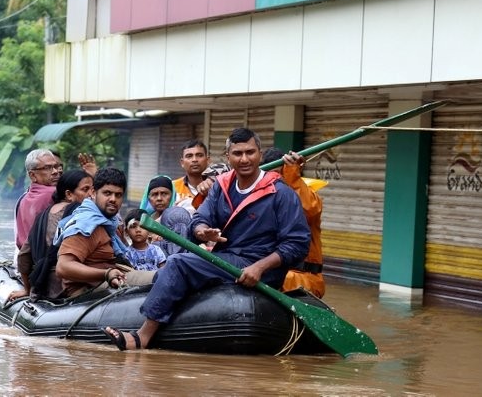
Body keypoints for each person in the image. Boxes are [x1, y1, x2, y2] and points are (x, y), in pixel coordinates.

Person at [103, 128, 310, 351]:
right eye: (237, 153)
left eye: (250, 152)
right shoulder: (222, 187)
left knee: (178, 263)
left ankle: (142, 337)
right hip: (227, 261)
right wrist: (202, 231)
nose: (244, 159)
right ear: (228, 157)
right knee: (168, 272)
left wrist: (260, 267)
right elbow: (200, 218)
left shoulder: (280, 193)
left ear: (260, 154)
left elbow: (297, 244)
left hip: (261, 266)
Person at [55, 167, 156, 298]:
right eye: (107, 193)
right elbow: (63, 267)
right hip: (88, 291)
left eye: (118, 195)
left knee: (172, 271)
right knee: (163, 278)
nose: (113, 199)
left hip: (113, 279)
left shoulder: (110, 222)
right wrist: (106, 273)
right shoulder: (86, 224)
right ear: (93, 192)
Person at [9, 169, 94, 300]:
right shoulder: (82, 215)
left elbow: (23, 256)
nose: (91, 195)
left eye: (92, 190)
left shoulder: (42, 216)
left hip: (44, 286)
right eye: (85, 190)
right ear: (69, 194)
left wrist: (26, 289)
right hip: (71, 286)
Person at [263, 147, 326, 298]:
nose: (276, 181)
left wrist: (291, 174)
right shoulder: (262, 196)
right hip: (269, 275)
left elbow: (307, 209)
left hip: (301, 278)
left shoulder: (308, 195)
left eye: (280, 174)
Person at [14, 149, 63, 249]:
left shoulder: (24, 197)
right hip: (45, 257)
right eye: (47, 168)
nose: (55, 172)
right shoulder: (54, 193)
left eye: (55, 167)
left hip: (26, 256)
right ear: (32, 175)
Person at [172, 140, 211, 212]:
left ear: (207, 160)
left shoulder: (216, 186)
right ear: (182, 162)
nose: (194, 160)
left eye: (199, 155)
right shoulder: (173, 187)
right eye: (189, 156)